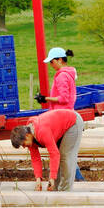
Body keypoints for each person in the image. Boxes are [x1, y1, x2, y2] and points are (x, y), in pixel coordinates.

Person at [35, 48, 84, 181]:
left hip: (61, 117)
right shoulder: (68, 74)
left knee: (63, 153)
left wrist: (45, 99)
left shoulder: (62, 76)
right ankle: (74, 178)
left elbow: (63, 98)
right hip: (65, 115)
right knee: (66, 152)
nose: (51, 65)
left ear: (60, 60)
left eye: (52, 62)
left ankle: (76, 179)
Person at [9, 108, 84, 191]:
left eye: (23, 144)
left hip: (73, 122)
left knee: (65, 157)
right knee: (59, 161)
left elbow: (54, 154)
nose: (24, 147)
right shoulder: (30, 136)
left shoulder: (42, 131)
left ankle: (65, 192)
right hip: (61, 127)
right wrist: (38, 179)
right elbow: (35, 159)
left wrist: (52, 178)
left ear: (27, 136)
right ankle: (54, 189)